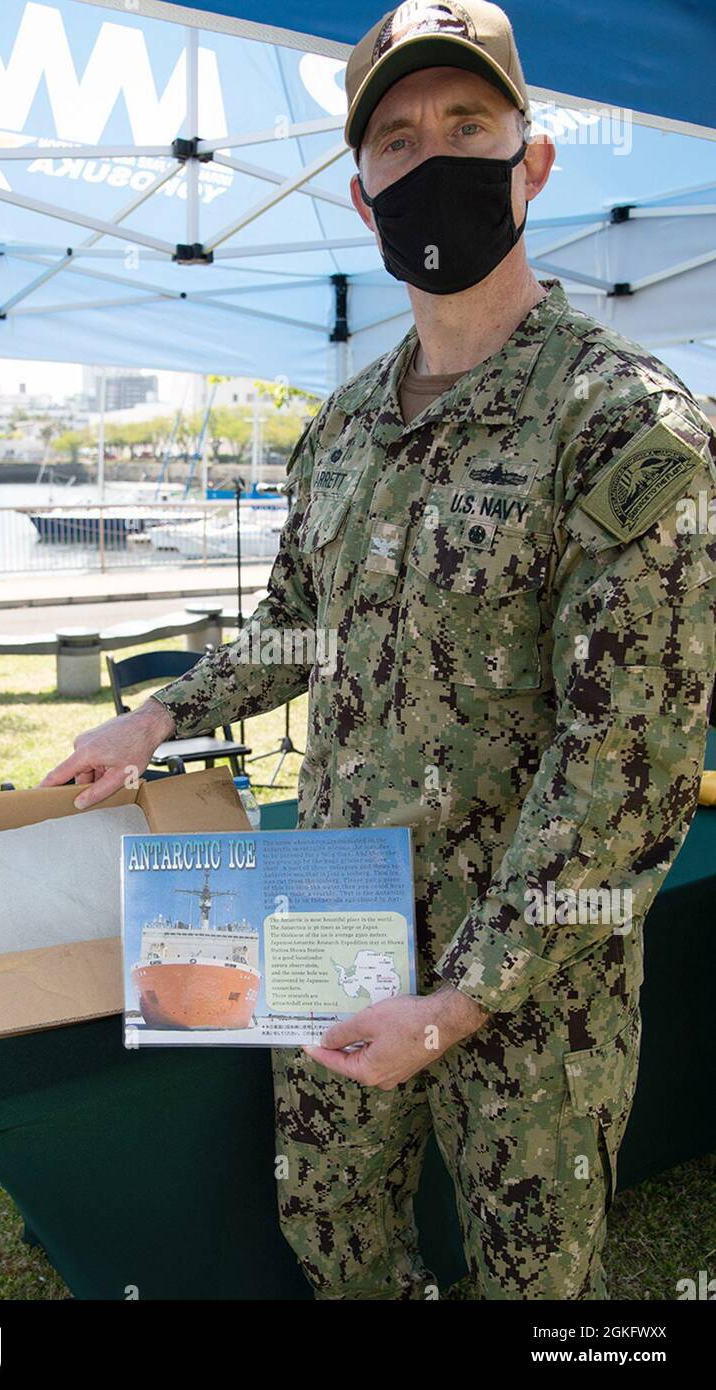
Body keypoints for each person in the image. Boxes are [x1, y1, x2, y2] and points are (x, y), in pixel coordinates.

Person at [40, 0, 716, 1299]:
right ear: (361, 198)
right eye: (398, 140)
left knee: (533, 1281)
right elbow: (297, 624)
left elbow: (623, 775)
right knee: (334, 1232)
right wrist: (157, 717)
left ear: (532, 160)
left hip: (526, 983)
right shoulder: (345, 423)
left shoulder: (623, 426)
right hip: (331, 916)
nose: (432, 157)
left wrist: (459, 1000)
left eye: (467, 124)